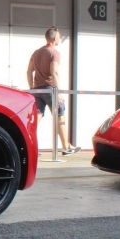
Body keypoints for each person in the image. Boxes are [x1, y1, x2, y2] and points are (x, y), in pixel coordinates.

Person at [27, 27, 80, 155]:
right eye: (59, 37)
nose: (60, 39)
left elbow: (29, 71)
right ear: (54, 38)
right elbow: (54, 72)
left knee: (36, 118)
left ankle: (30, 147)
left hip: (37, 90)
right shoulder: (54, 53)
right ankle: (66, 147)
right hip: (50, 89)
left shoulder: (36, 53)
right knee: (59, 116)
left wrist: (32, 89)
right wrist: (58, 91)